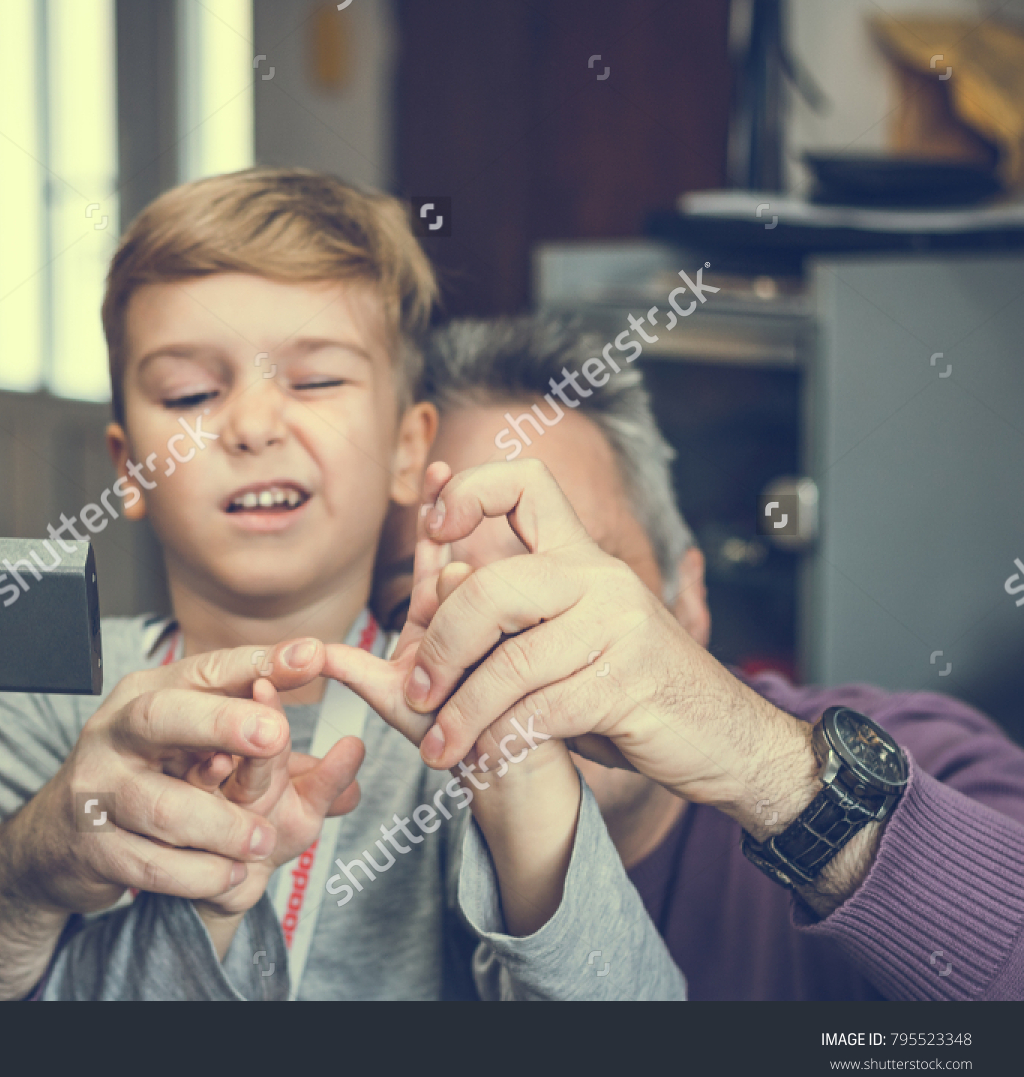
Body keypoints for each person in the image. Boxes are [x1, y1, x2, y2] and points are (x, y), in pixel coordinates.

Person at [0, 170, 684, 1001]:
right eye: (192, 392)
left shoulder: (457, 710)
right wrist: (193, 896)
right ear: (130, 467)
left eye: (315, 379)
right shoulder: (62, 701)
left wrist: (520, 773)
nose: (250, 425)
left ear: (405, 447)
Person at [331, 316, 1024, 1000]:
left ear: (685, 596)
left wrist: (774, 775)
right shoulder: (364, 868)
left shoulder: (926, 762)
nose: (503, 650)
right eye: (430, 609)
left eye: (560, 583)